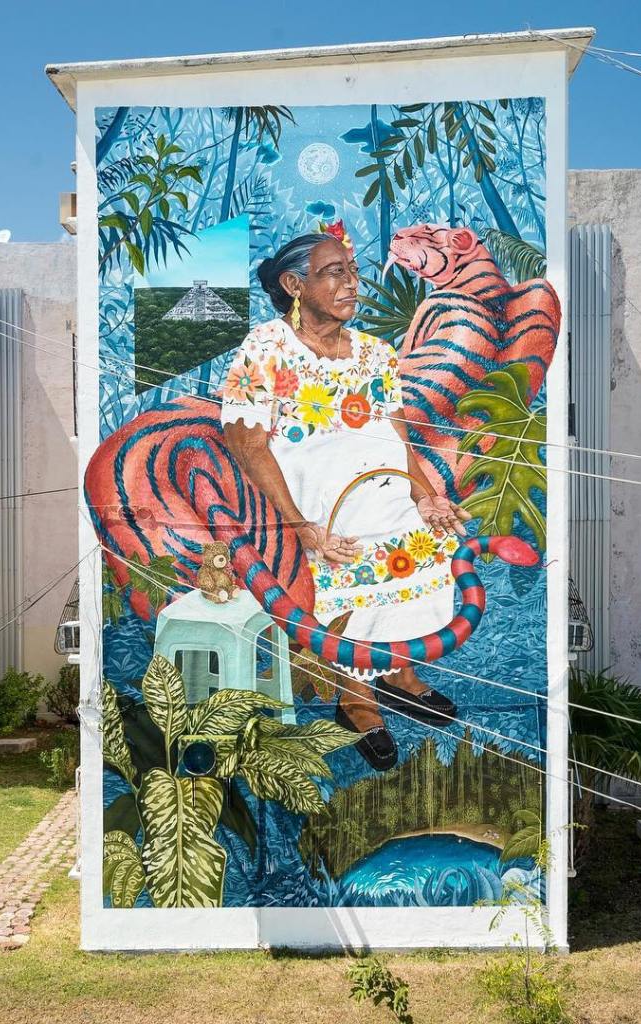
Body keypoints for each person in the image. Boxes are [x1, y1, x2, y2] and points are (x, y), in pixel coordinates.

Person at [221, 226, 468, 771]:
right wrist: (299, 523)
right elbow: (247, 442)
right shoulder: (268, 348)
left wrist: (426, 496)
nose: (351, 285)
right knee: (350, 599)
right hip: (320, 510)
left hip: (387, 495)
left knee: (419, 564)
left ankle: (401, 676)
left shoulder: (375, 352)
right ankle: (358, 702)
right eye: (334, 274)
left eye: (352, 273)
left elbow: (395, 432)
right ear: (294, 284)